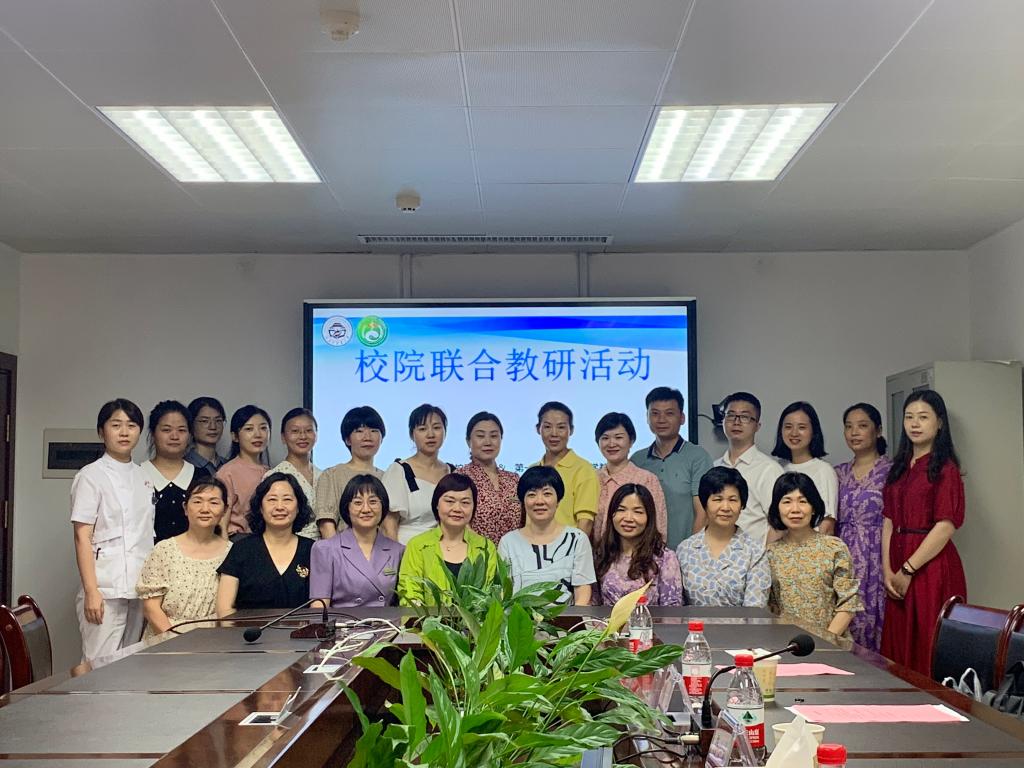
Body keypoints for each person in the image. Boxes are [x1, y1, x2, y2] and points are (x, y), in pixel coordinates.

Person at [881, 390, 966, 675]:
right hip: (897, 563)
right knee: (897, 647)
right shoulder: (898, 467)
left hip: (930, 568)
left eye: (923, 417)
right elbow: (888, 520)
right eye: (909, 417)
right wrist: (887, 570)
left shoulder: (945, 469)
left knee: (926, 644)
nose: (914, 424)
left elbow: (945, 527)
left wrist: (907, 569)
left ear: (939, 423)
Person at [71, 399, 155, 663]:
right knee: (99, 665)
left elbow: (145, 535)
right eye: (116, 425)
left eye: (131, 425)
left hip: (138, 587)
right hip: (105, 588)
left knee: (129, 665)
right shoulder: (90, 476)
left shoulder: (143, 476)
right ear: (101, 432)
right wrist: (91, 590)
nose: (124, 432)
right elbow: (82, 537)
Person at [767, 472, 863, 638]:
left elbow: (848, 603)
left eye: (803, 501)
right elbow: (771, 607)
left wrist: (825, 641)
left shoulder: (834, 548)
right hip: (786, 644)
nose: (795, 509)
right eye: (787, 501)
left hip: (830, 644)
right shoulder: (771, 553)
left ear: (813, 508)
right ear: (777, 508)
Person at [136, 477, 232, 638]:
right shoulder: (164, 550)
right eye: (197, 501)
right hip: (166, 639)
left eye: (214, 502)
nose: (205, 509)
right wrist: (177, 641)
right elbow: (151, 608)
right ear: (185, 508)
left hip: (214, 639)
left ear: (224, 510)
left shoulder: (233, 553)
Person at [835, 403, 891, 652]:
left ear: (877, 430)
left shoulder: (892, 471)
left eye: (862, 426)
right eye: (849, 427)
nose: (854, 432)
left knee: (877, 618)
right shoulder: (838, 473)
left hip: (877, 555)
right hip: (843, 554)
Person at [216, 472, 314, 614]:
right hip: (248, 628)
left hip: (302, 628)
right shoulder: (241, 549)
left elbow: (319, 606)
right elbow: (224, 609)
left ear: (298, 507)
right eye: (272, 500)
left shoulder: (312, 550)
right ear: (260, 507)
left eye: (287, 499)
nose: (279, 507)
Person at [499, 466, 595, 605]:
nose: (539, 501)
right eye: (532, 495)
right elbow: (503, 592)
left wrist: (575, 618)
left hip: (567, 618)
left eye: (547, 494)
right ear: (523, 501)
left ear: (558, 500)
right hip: (519, 617)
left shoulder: (577, 539)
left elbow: (582, 591)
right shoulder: (508, 542)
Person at [676, 467, 770, 608]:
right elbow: (678, 605)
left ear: (742, 505)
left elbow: (754, 610)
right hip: (692, 623)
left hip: (742, 623)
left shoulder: (755, 552)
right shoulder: (685, 550)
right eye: (717, 499)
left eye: (733, 500)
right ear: (705, 503)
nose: (725, 507)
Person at [631, 386, 713, 548]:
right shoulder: (637, 459)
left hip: (684, 552)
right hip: (644, 553)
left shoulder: (698, 457)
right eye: (655, 413)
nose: (661, 419)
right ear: (647, 418)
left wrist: (691, 551)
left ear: (682, 418)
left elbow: (703, 512)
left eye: (669, 413)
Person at [398, 473, 497, 605]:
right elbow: (410, 592)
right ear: (436, 504)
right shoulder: (417, 545)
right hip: (425, 618)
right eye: (450, 501)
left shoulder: (485, 547)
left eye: (465, 503)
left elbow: (489, 594)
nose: (457, 509)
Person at [310, 474, 404, 608]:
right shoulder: (325, 549)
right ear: (347, 508)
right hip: (342, 621)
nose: (366, 509)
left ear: (383, 506)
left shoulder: (398, 551)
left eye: (373, 502)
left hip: (386, 621)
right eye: (358, 503)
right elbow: (320, 607)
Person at [714, 392, 784, 549]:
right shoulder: (714, 467)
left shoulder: (769, 470)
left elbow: (779, 524)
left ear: (757, 426)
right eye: (731, 415)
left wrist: (761, 558)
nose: (736, 422)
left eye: (745, 417)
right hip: (717, 557)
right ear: (723, 421)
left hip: (754, 559)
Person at [594, 483, 682, 606]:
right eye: (621, 510)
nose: (628, 518)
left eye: (638, 512)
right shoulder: (601, 554)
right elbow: (593, 605)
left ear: (649, 517)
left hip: (651, 619)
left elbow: (672, 608)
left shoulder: (665, 558)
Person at [382, 404, 454, 545]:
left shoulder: (451, 472)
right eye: (422, 429)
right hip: (406, 549)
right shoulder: (400, 470)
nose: (430, 434)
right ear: (412, 434)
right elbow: (389, 524)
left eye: (437, 428)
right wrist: (395, 556)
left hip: (445, 549)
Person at [593, 412, 668, 545]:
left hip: (638, 555)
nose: (611, 444)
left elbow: (658, 527)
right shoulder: (591, 479)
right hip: (593, 556)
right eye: (605, 438)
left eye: (618, 437)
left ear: (631, 441)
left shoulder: (646, 480)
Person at [315, 406, 386, 538]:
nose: (367, 437)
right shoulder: (332, 475)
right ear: (347, 439)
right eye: (359, 431)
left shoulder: (388, 477)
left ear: (382, 438)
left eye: (374, 430)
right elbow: (326, 524)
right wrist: (337, 550)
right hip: (342, 548)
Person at [142, 400, 205, 543]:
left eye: (182, 430)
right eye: (166, 430)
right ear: (153, 433)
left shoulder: (201, 477)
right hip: (146, 556)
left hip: (193, 555)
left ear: (190, 435)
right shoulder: (138, 475)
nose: (175, 436)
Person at [532, 401, 599, 537]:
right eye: (547, 427)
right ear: (538, 429)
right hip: (532, 547)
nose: (554, 433)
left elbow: (585, 523)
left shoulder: (583, 470)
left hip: (567, 548)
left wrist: (574, 549)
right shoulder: (532, 470)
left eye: (561, 427)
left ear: (571, 430)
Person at [771, 401, 837, 535]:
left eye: (801, 427)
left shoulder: (823, 470)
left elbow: (827, 524)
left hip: (811, 545)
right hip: (781, 543)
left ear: (814, 432)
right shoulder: (776, 467)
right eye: (788, 427)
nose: (794, 433)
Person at [457, 412, 521, 546]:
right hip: (476, 553)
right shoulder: (460, 477)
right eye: (480, 436)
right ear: (468, 441)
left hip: (516, 554)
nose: (488, 442)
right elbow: (458, 521)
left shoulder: (514, 479)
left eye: (494, 436)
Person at [216, 405, 271, 540]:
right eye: (249, 429)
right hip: (237, 540)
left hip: (267, 540)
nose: (258, 434)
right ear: (235, 436)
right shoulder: (227, 472)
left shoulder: (271, 472)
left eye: (263, 428)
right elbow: (221, 520)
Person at [266, 407, 320, 540]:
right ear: (283, 437)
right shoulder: (275, 476)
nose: (303, 436)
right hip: (290, 545)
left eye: (309, 430)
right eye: (295, 431)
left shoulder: (324, 475)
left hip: (324, 546)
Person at [185, 396, 228, 475]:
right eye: (205, 421)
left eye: (218, 421)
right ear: (191, 425)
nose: (213, 427)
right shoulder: (184, 466)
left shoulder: (228, 465)